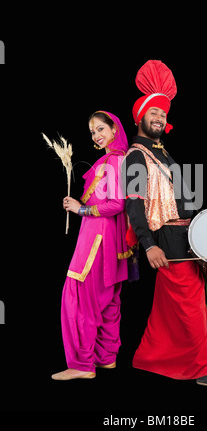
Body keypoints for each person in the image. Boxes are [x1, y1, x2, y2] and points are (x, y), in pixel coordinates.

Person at [123, 60, 207, 389]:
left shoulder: (163, 153)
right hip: (167, 242)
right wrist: (148, 245)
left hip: (185, 236)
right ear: (141, 116)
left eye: (164, 114)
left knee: (168, 309)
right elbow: (133, 204)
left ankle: (150, 358)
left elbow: (187, 198)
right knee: (191, 305)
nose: (160, 118)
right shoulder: (136, 155)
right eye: (154, 113)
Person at [52, 110, 131, 380]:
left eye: (100, 129)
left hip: (98, 237)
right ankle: (106, 359)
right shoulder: (115, 160)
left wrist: (81, 210)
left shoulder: (117, 162)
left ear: (114, 129)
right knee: (106, 300)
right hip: (108, 238)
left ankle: (82, 365)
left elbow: (116, 205)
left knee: (79, 296)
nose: (96, 135)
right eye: (92, 132)